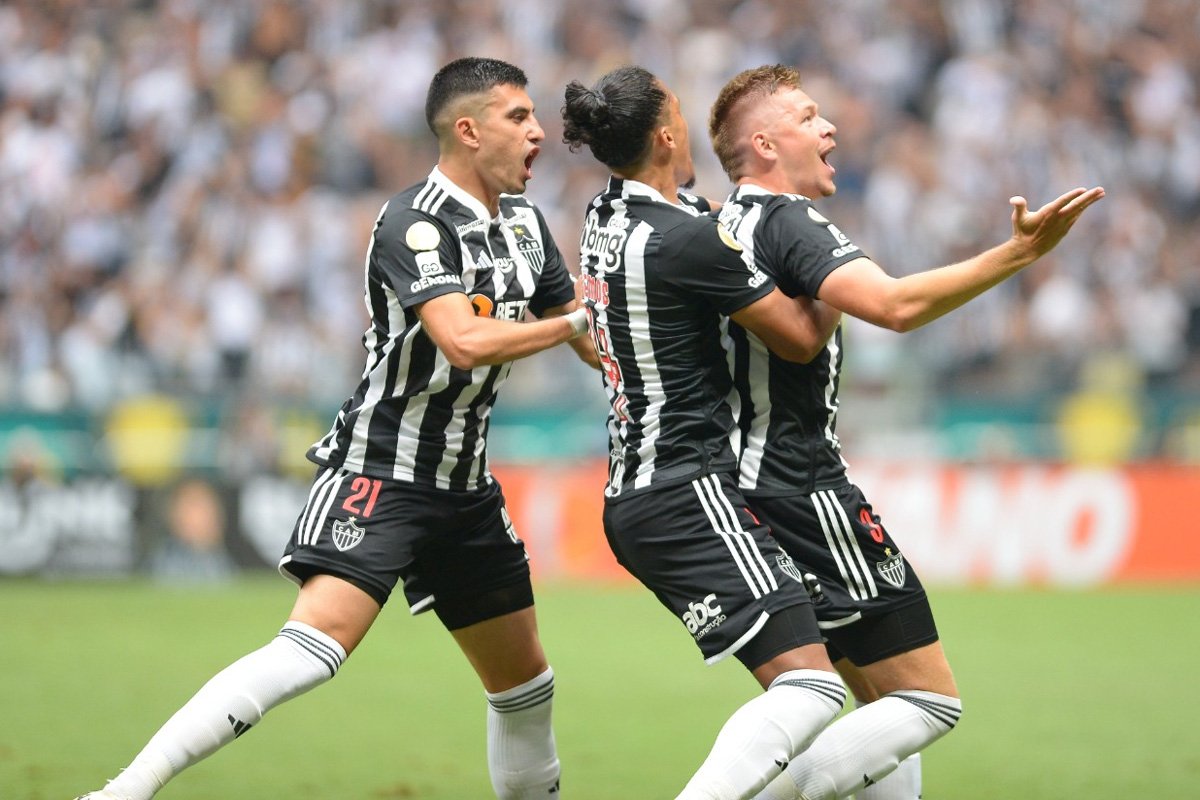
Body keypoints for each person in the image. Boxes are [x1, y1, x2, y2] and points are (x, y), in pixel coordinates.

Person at [76, 56, 595, 800]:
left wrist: (632, 329)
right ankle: (123, 791)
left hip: (464, 486)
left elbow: (581, 334)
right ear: (469, 130)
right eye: (520, 118)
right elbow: (463, 340)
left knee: (525, 686)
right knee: (312, 650)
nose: (540, 132)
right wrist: (577, 318)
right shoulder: (412, 222)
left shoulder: (525, 224)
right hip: (382, 470)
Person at [705, 64, 1106, 800]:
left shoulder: (716, 228)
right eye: (808, 116)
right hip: (800, 483)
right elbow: (890, 306)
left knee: (877, 707)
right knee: (928, 700)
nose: (830, 128)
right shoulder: (787, 221)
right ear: (764, 143)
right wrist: (1017, 254)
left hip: (737, 485)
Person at [562, 65, 855, 800]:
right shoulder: (685, 239)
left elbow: (593, 328)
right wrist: (840, 276)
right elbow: (797, 339)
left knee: (832, 668)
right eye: (683, 117)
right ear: (666, 136)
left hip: (640, 486)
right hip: (685, 487)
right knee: (813, 690)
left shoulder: (607, 216)